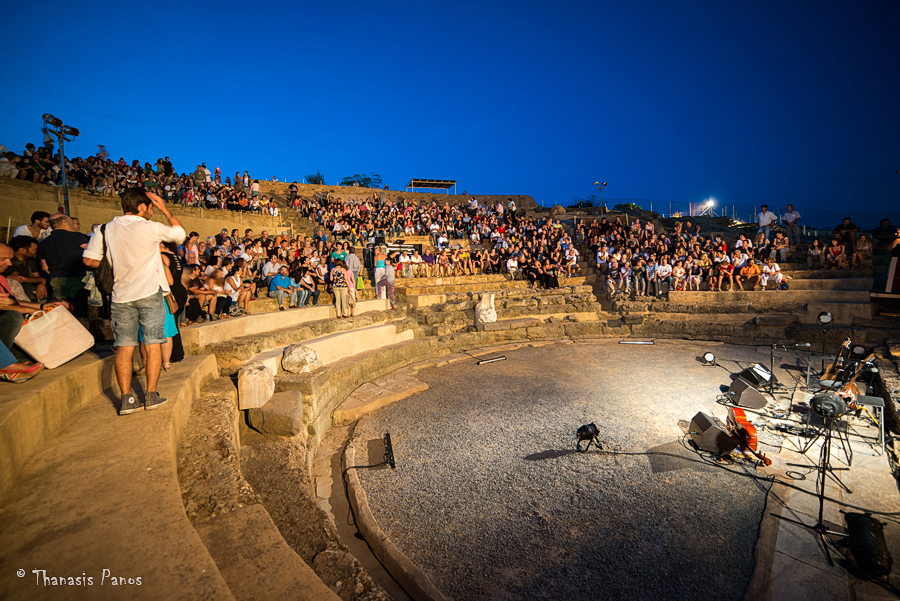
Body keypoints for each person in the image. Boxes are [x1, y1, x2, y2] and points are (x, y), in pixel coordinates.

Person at [83, 188, 186, 416]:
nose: (151, 211)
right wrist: (164, 208)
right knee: (152, 343)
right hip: (149, 294)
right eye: (150, 207)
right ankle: (151, 395)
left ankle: (127, 399)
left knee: (125, 346)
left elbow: (89, 259)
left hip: (120, 297)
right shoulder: (150, 227)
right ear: (142, 207)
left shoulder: (104, 229)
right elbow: (179, 234)